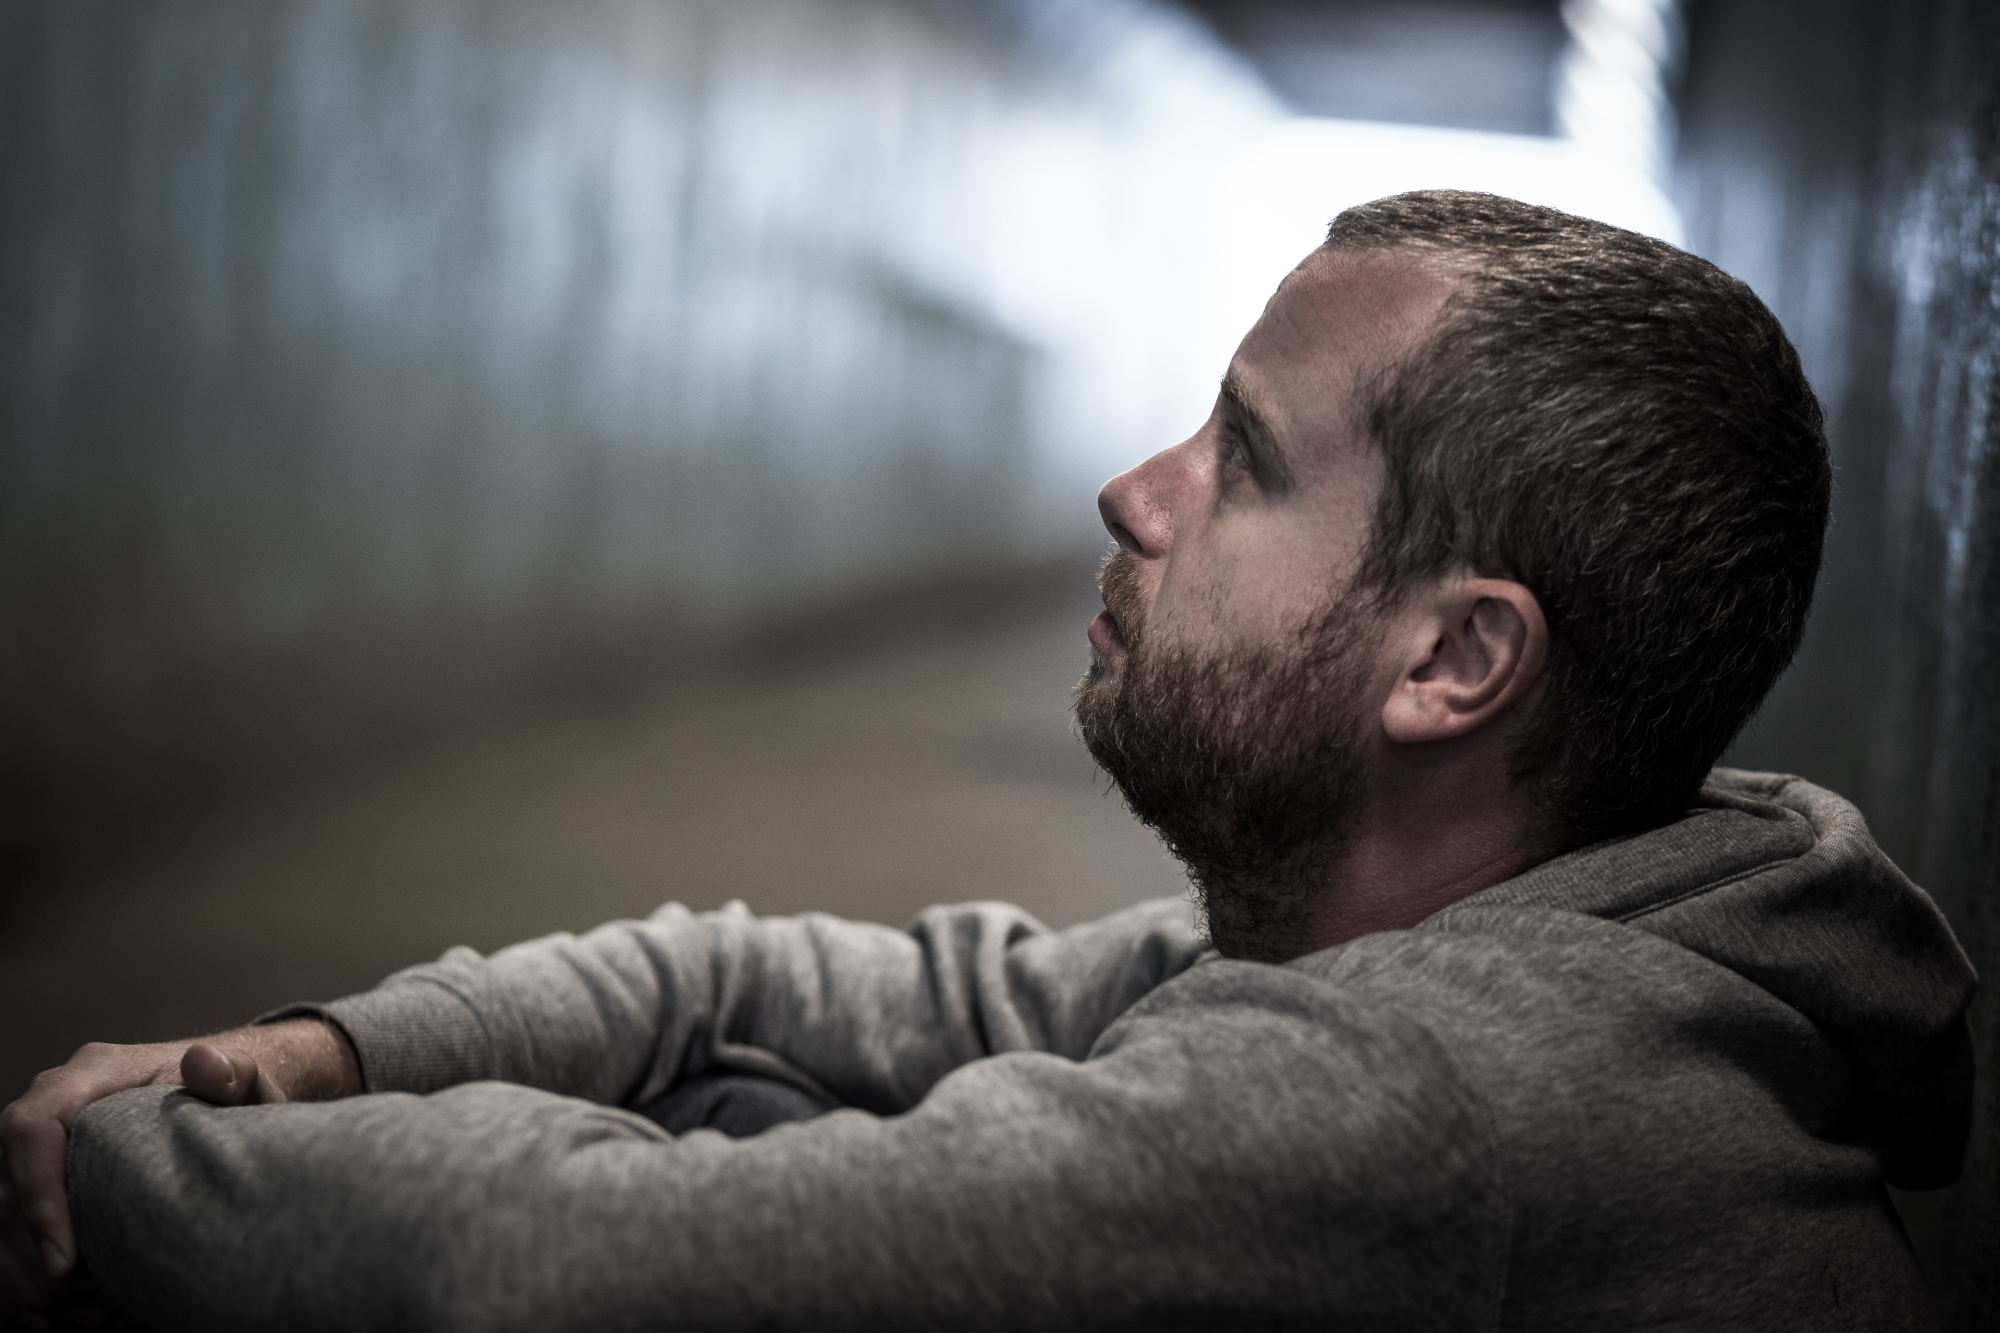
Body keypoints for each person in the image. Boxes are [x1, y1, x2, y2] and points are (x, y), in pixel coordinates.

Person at [0, 190, 1975, 1331]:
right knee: (767, 1083)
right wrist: (314, 1056)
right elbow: (786, 980)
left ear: (1455, 660)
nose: (1131, 494)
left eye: (1246, 463)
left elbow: (579, 1268)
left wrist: (132, 1152)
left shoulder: (1433, 1096)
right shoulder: (1459, 925)